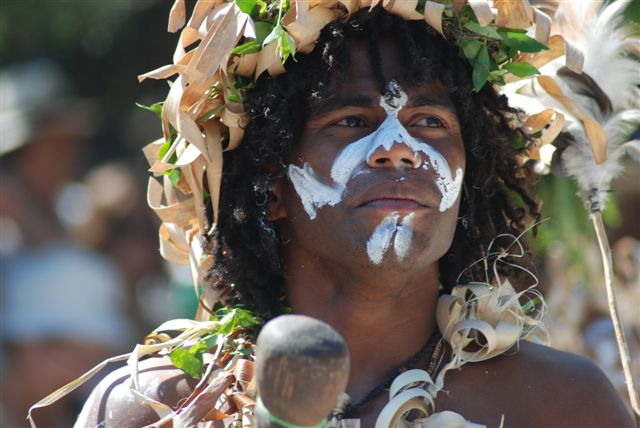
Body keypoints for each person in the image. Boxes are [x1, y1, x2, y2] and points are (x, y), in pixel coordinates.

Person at [72, 2, 635, 427]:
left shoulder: (564, 404)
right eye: (351, 121)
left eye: (430, 123)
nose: (400, 147)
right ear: (269, 185)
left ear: (469, 180)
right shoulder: (158, 405)